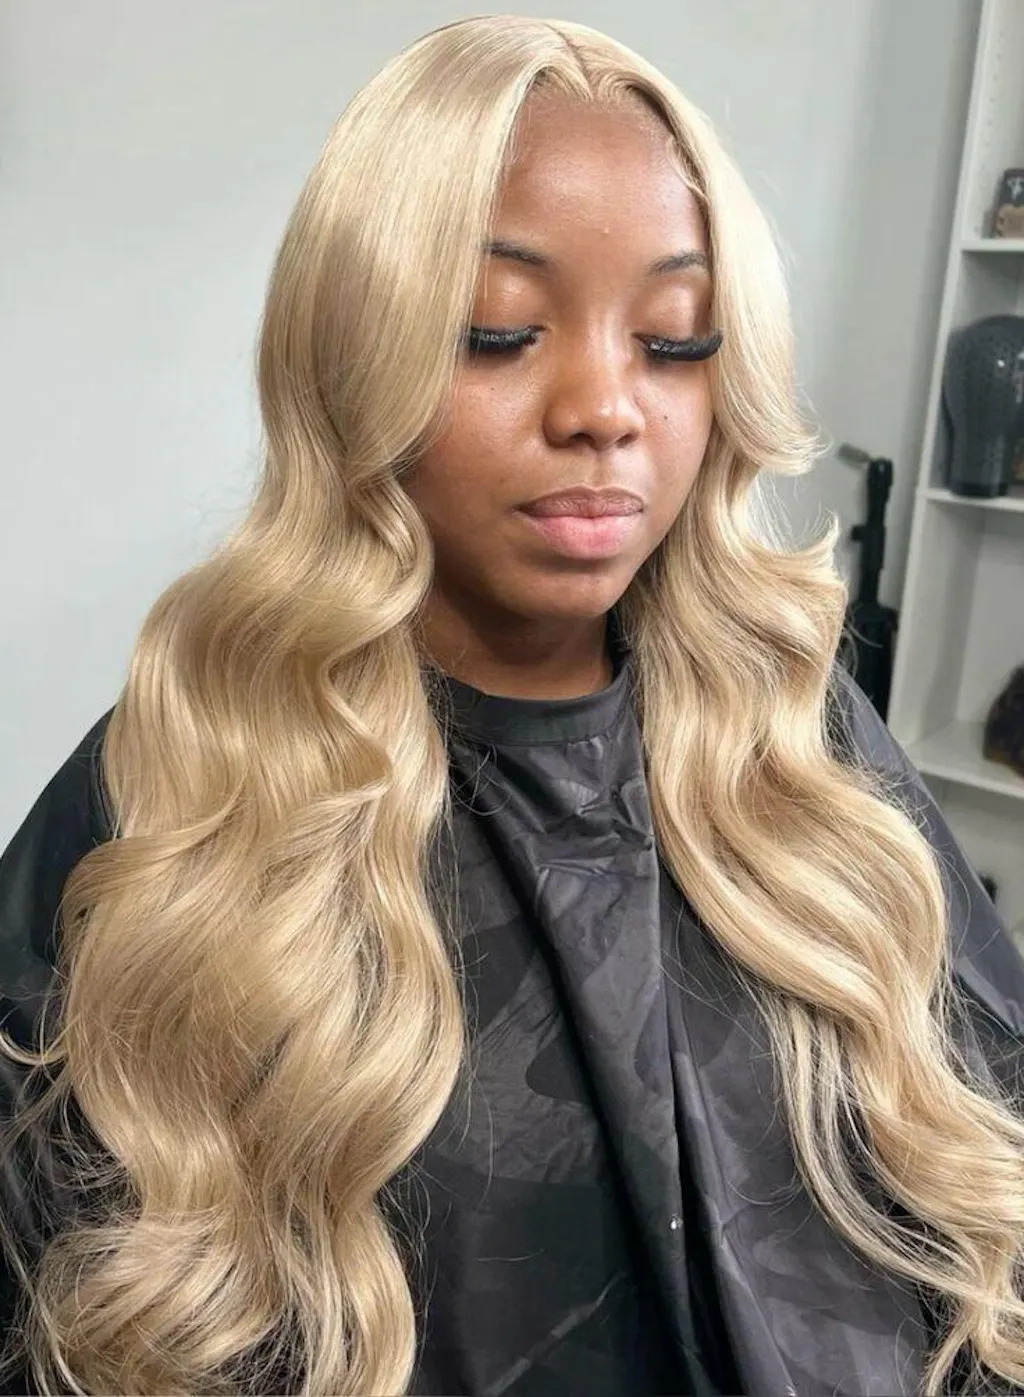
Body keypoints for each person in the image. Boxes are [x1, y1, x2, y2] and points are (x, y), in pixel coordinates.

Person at [2, 15, 1024, 1397]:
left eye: (673, 342)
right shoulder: (189, 784)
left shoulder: (797, 736)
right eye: (499, 331)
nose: (606, 407)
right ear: (356, 356)